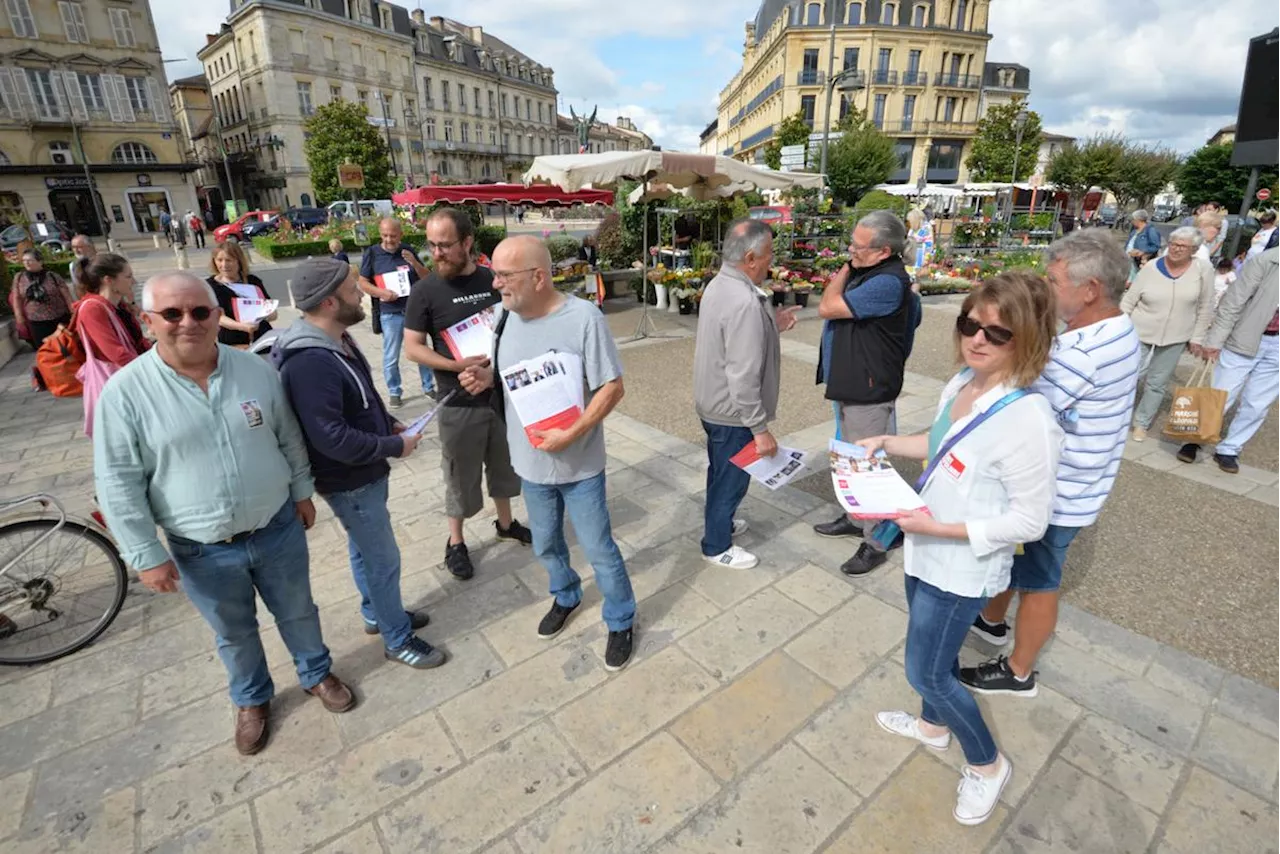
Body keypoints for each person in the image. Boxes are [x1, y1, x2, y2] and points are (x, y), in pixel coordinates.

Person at [93, 272, 355, 756]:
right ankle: (252, 699)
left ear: (218, 315)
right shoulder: (126, 394)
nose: (187, 322)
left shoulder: (255, 371)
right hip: (202, 548)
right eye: (171, 313)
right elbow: (117, 482)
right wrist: (144, 553)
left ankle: (316, 673)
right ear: (149, 321)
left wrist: (301, 492)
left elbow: (288, 436)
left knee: (299, 611)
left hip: (276, 527)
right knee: (233, 633)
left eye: (200, 311)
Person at [865, 271, 1063, 826]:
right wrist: (883, 442)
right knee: (936, 657)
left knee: (927, 672)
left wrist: (937, 530)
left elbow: (1029, 520)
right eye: (969, 325)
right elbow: (937, 446)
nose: (977, 339)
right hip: (923, 547)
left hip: (960, 566)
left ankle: (987, 763)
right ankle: (932, 727)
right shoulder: (963, 384)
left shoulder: (1029, 419)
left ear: (1027, 340)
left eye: (997, 333)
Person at [963, 229, 1140, 695]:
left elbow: (1019, 408)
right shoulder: (1116, 328)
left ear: (1091, 290)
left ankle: (1018, 671)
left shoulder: (1082, 353)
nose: (1044, 287)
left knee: (1040, 581)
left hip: (1058, 494)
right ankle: (990, 620)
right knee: (1015, 562)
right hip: (1081, 481)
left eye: (1053, 280)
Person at [458, 236, 638, 670]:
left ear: (538, 277)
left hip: (580, 466)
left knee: (598, 548)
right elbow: (504, 373)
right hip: (530, 464)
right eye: (494, 272)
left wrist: (571, 433)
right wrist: (485, 377)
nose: (495, 282)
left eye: (504, 275)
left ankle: (620, 619)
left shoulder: (584, 319)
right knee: (546, 544)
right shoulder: (502, 316)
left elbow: (612, 388)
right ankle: (566, 595)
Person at [273, 258, 445, 670]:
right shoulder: (310, 360)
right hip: (349, 478)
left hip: (361, 475)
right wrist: (393, 445)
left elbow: (360, 397)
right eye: (353, 290)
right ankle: (397, 638)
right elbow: (331, 437)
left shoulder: (338, 339)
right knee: (383, 558)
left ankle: (376, 613)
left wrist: (389, 422)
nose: (362, 295)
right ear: (330, 302)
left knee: (363, 547)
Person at [403, 208, 532, 580]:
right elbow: (413, 348)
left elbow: (515, 328)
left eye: (445, 245)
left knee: (504, 465)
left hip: (500, 394)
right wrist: (455, 367)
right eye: (432, 245)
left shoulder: (493, 280)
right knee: (459, 475)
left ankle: (506, 524)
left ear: (467, 243)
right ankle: (456, 542)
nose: (436, 253)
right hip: (457, 401)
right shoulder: (424, 291)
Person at [813, 211, 923, 576]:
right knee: (850, 459)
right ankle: (855, 516)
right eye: (851, 244)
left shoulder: (887, 282)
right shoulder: (873, 272)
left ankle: (879, 540)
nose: (851, 251)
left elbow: (826, 306)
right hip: (854, 382)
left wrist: (844, 269)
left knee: (868, 468)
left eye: (858, 247)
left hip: (869, 389)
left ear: (884, 251)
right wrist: (853, 264)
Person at [693, 218, 801, 570]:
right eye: (769, 254)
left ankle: (719, 525)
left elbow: (734, 345)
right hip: (733, 413)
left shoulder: (721, 284)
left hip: (714, 405)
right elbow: (742, 375)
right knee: (731, 481)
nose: (773, 261)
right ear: (751, 257)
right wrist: (759, 429)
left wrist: (772, 325)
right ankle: (716, 545)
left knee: (720, 473)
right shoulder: (743, 300)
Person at [1177, 247, 1280, 473]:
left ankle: (1230, 448)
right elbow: (1234, 301)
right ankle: (1194, 438)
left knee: (1257, 404)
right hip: (1247, 336)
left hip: (1277, 348)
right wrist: (1214, 341)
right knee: (1221, 394)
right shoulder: (1267, 261)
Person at [1121, 226, 1215, 441]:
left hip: (1177, 334)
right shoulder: (1152, 267)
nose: (1177, 249)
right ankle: (1119, 416)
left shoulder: (1203, 270)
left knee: (1157, 382)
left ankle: (1141, 423)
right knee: (1128, 376)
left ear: (1194, 249)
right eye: (1173, 244)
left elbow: (1206, 306)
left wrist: (1197, 338)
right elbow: (1129, 299)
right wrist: (1119, 327)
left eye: (1183, 246)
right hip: (1140, 329)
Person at [358, 217, 436, 407]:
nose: (388, 239)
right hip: (390, 313)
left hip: (412, 310)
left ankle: (428, 386)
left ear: (400, 235)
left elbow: (426, 277)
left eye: (393, 236)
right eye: (385, 235)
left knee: (421, 350)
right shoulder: (373, 254)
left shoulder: (407, 250)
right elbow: (363, 282)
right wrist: (381, 292)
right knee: (391, 355)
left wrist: (415, 263)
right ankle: (394, 391)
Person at [75, 253, 150, 367]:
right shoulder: (92, 309)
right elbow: (117, 354)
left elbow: (137, 341)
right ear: (109, 280)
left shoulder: (119, 304)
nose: (134, 282)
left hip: (135, 367)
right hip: (119, 376)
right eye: (128, 277)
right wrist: (149, 368)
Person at [207, 241, 276, 349]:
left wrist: (263, 316)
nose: (224, 265)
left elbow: (273, 313)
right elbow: (219, 317)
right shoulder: (211, 286)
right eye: (219, 260)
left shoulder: (253, 281)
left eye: (229, 260)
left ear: (238, 261)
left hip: (262, 340)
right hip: (233, 343)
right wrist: (242, 327)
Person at [8, 249, 74, 346]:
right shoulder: (19, 278)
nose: (26, 263)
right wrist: (19, 316)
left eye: (30, 260)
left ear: (40, 261)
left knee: (66, 346)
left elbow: (67, 295)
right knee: (45, 349)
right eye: (24, 260)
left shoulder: (52, 276)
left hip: (59, 318)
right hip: (36, 321)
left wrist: (73, 312)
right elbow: (17, 298)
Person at [1124, 210, 1162, 276]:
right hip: (1129, 260)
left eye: (1133, 219)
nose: (1132, 221)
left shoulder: (1151, 231)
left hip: (1139, 262)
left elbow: (1156, 246)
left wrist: (1142, 251)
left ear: (1138, 220)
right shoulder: (1134, 231)